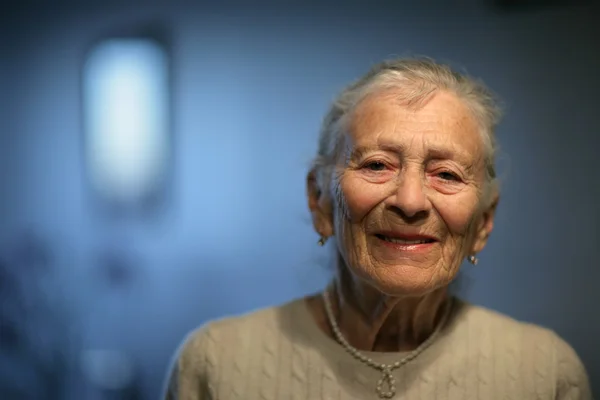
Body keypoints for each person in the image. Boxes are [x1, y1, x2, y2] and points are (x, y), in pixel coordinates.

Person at [163, 58, 592, 399]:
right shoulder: (216, 365)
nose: (410, 202)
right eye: (376, 165)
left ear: (483, 221)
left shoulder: (544, 374)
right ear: (320, 201)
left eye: (446, 174)